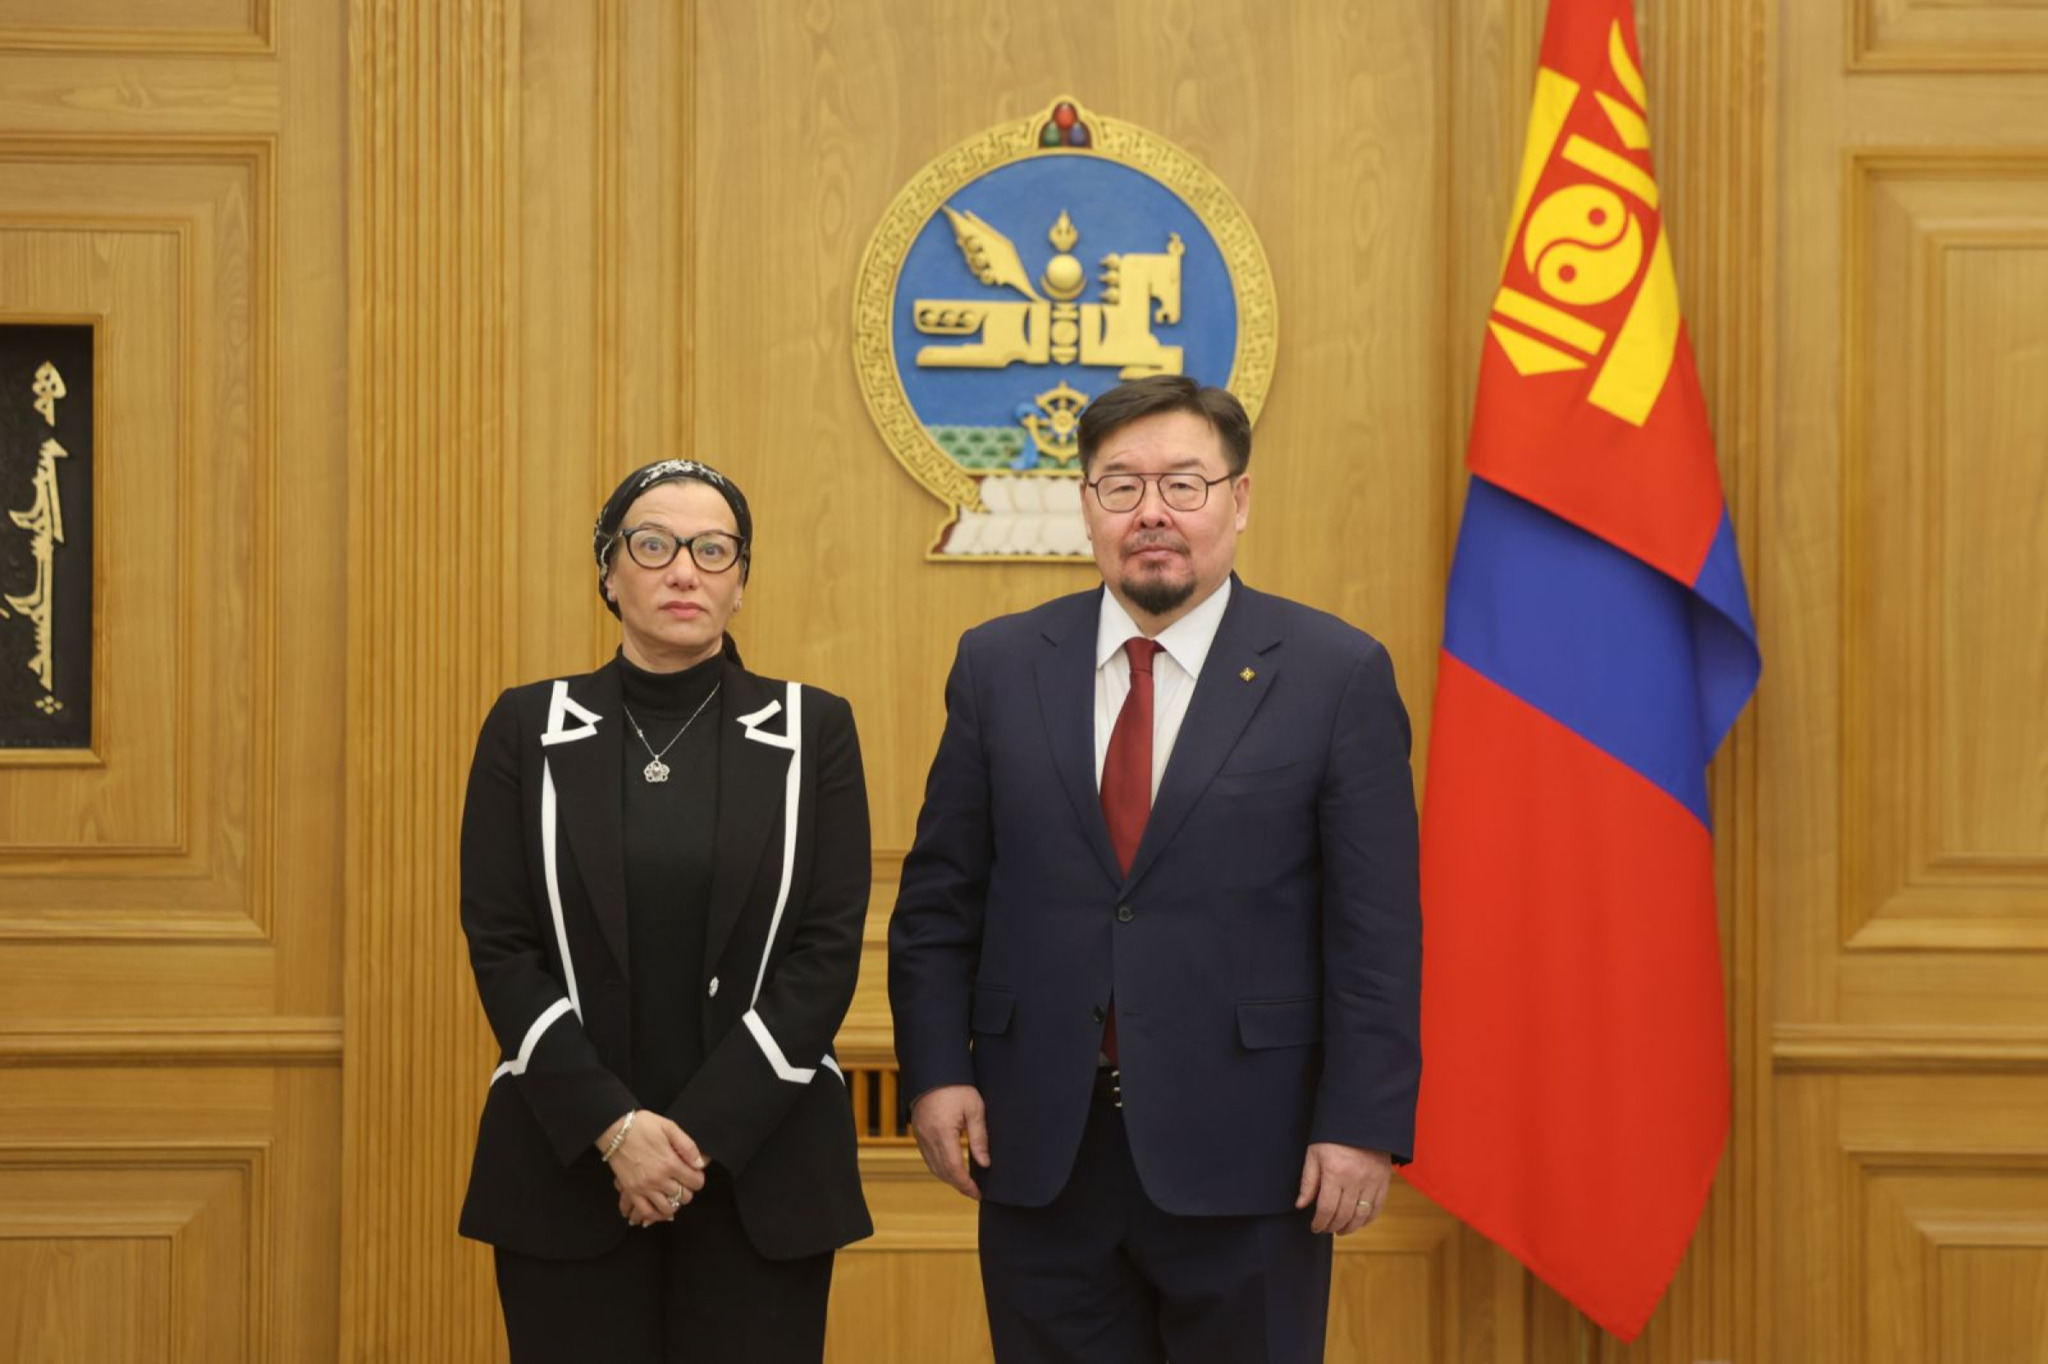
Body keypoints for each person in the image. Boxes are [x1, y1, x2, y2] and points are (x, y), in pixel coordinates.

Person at [888, 376, 1422, 1364]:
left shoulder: (1333, 673)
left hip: (1256, 1154)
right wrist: (935, 1071)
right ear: (1085, 504)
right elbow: (939, 899)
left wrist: (1361, 1122)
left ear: (1238, 499)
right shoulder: (999, 664)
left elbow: (1375, 928)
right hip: (1040, 1146)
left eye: (1183, 483)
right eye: (1121, 485)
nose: (1152, 513)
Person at [457, 458, 872, 1362]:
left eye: (712, 550)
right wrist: (616, 1132)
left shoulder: (814, 730)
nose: (684, 570)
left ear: (740, 581)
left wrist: (691, 1143)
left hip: (764, 1171)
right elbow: (502, 945)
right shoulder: (528, 728)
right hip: (568, 1165)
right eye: (653, 545)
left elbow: (826, 952)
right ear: (609, 572)